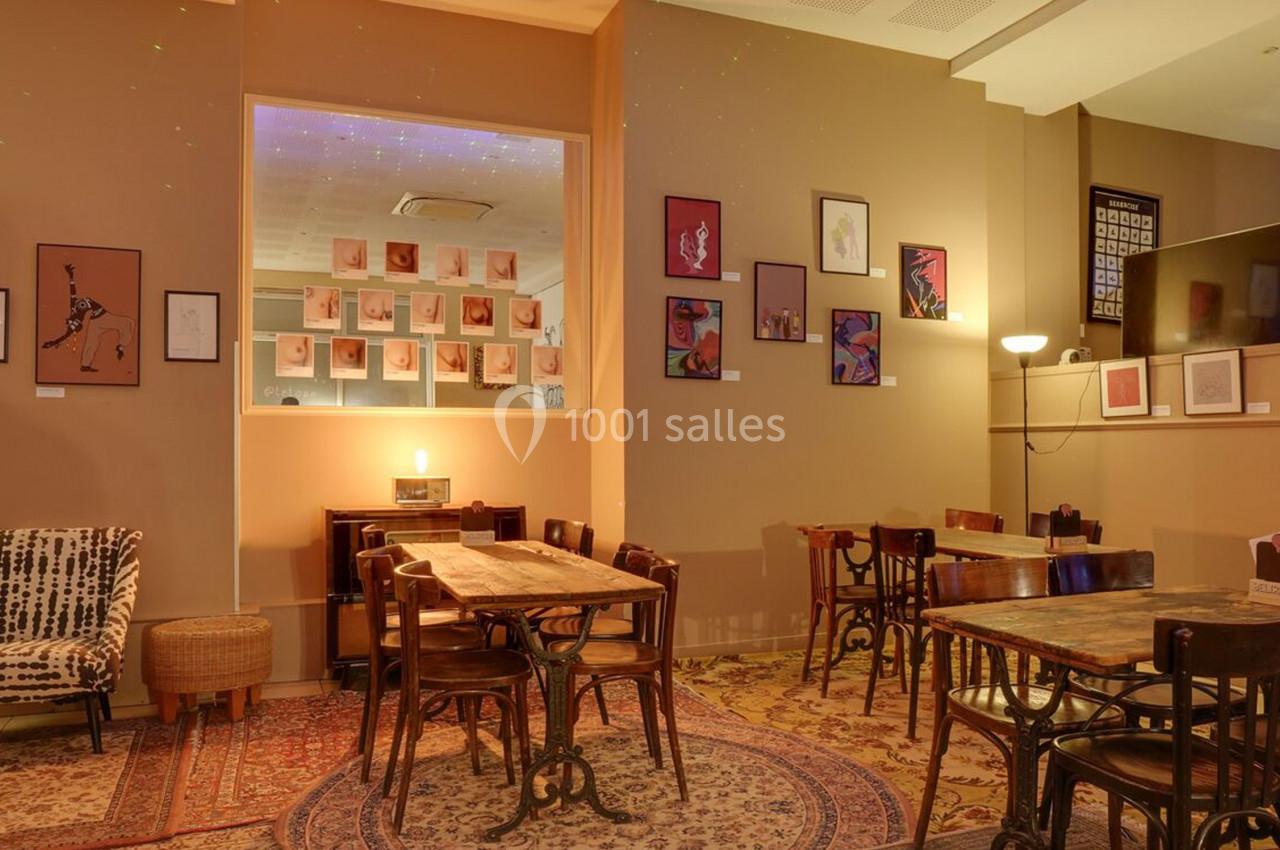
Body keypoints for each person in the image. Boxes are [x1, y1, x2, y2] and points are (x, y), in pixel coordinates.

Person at [41, 263, 136, 372]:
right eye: (75, 324)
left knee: (127, 323)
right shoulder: (77, 320)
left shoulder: (73, 308)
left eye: (71, 322)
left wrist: (71, 276)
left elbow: (72, 291)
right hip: (101, 319)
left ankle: (119, 347)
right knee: (93, 342)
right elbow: (66, 335)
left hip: (100, 318)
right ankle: (85, 365)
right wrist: (53, 343)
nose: (72, 322)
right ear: (78, 325)